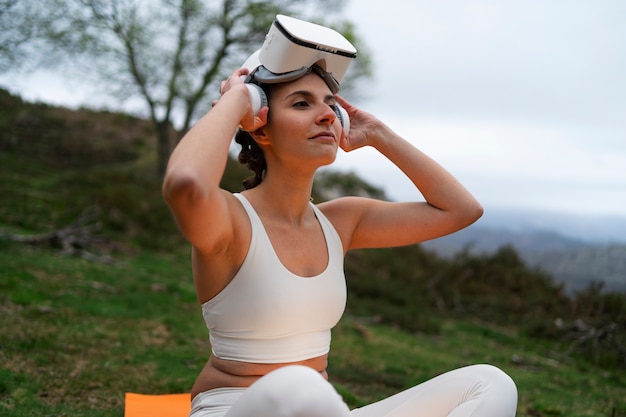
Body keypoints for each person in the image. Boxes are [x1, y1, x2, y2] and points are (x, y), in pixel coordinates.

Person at [162, 16, 517, 417]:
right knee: (297, 385)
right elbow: (186, 183)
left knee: (488, 383)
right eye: (302, 103)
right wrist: (236, 100)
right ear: (260, 127)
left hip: (321, 410)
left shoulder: (343, 221)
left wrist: (380, 134)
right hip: (237, 409)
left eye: (331, 105)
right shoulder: (230, 220)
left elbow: (461, 210)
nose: (328, 115)